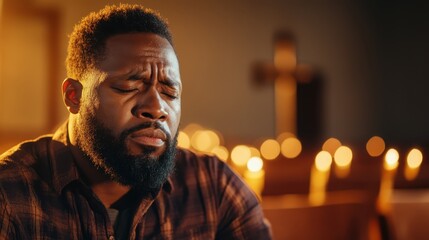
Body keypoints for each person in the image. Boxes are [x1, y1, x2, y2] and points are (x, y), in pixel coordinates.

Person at [0, 4, 271, 239]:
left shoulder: (213, 187)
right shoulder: (10, 195)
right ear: (74, 96)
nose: (156, 108)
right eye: (129, 87)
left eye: (169, 92)